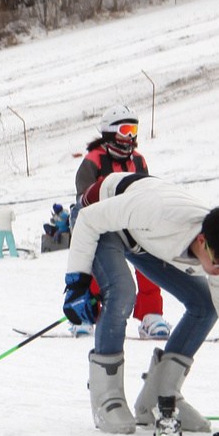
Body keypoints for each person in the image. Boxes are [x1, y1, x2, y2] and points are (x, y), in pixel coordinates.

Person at [62, 171, 219, 436]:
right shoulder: (158, 211)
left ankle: (161, 396)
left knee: (206, 305)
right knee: (122, 292)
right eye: (218, 263)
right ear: (202, 240)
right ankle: (106, 396)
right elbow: (89, 220)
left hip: (142, 238)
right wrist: (77, 283)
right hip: (98, 218)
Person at [76, 109, 168, 338]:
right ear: (110, 132)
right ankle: (88, 314)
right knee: (101, 268)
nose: (130, 137)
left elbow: (146, 187)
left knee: (150, 263)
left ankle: (151, 315)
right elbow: (83, 195)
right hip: (103, 223)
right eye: (125, 130)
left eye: (133, 130)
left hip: (133, 222)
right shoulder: (94, 159)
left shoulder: (138, 159)